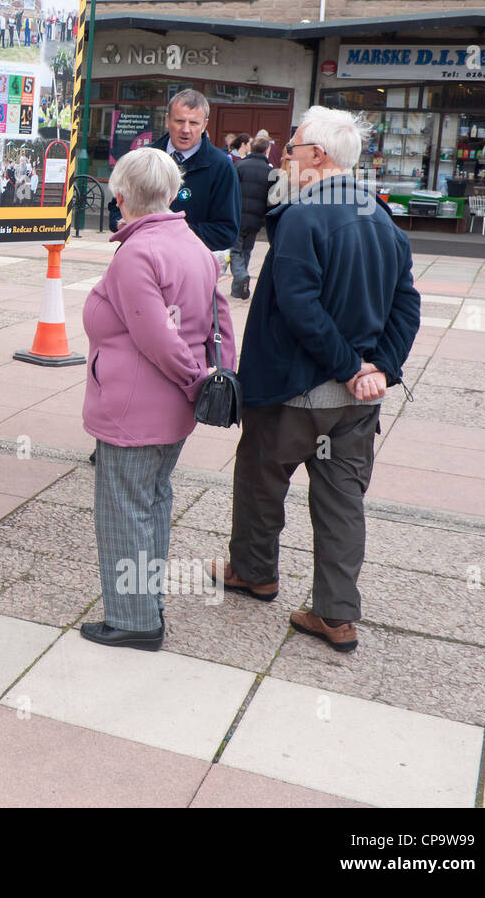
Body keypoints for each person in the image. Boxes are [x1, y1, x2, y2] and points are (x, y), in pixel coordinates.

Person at [212, 106, 420, 654]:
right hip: (356, 405)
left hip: (293, 392)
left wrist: (354, 367)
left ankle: (255, 572)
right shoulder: (382, 219)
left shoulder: (303, 217)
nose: (285, 159)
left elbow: (300, 309)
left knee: (261, 483)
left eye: (292, 150)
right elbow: (406, 307)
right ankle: (336, 615)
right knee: (342, 506)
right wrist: (380, 369)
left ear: (319, 157)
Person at [79, 148, 235, 651]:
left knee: (123, 511)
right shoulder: (191, 241)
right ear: (171, 193)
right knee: (153, 504)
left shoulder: (137, 254)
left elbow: (157, 339)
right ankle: (147, 604)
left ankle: (133, 619)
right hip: (171, 411)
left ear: (121, 197)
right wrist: (218, 378)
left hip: (135, 410)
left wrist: (195, 380)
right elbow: (220, 319)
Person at [111, 91, 240, 255]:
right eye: (179, 121)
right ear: (167, 120)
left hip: (187, 265)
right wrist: (120, 223)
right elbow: (116, 206)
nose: (186, 129)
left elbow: (226, 232)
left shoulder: (221, 167)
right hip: (137, 256)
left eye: (194, 123)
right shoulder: (142, 157)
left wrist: (168, 234)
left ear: (204, 125)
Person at [230, 135, 275, 299]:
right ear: (266, 150)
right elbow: (272, 197)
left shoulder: (239, 165)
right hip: (256, 218)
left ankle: (241, 276)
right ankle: (238, 288)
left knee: (235, 251)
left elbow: (231, 190)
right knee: (246, 251)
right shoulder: (270, 172)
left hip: (237, 215)